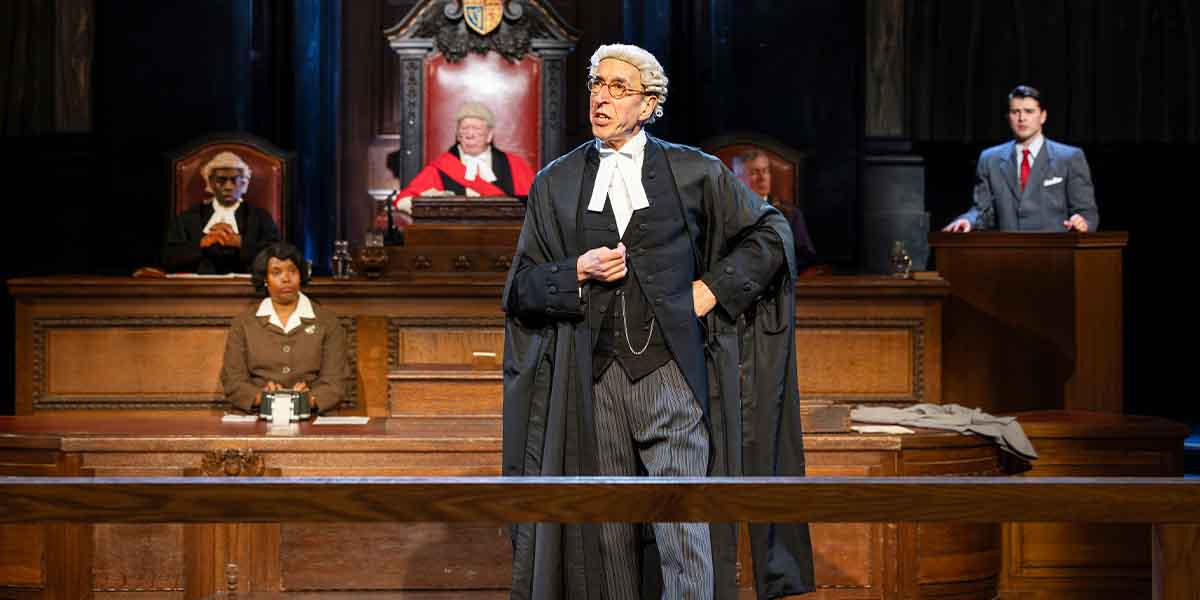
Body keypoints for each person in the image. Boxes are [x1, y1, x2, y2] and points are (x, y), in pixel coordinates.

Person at [501, 43, 814, 600]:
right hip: (593, 387)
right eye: (597, 84)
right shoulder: (558, 181)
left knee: (683, 528)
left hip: (670, 379)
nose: (601, 96)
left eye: (618, 87)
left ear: (648, 105)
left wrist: (712, 290)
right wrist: (574, 269)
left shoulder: (694, 171)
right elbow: (520, 288)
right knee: (608, 538)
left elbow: (772, 235)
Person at [943, 85, 1099, 233]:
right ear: (1008, 117)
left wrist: (1082, 222)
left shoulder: (1069, 157)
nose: (1022, 118)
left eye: (1029, 111)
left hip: (1054, 254)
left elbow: (1087, 213)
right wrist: (968, 220)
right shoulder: (990, 159)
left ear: (1043, 116)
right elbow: (982, 210)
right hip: (1008, 253)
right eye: (1015, 112)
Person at [220, 242, 348, 415]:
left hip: (313, 416)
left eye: (292, 271)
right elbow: (232, 381)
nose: (286, 278)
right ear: (265, 279)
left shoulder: (327, 321)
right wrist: (263, 398)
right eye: (276, 272)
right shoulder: (243, 323)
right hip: (257, 416)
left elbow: (336, 382)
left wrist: (307, 400)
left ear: (301, 275)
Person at [390, 101, 537, 218]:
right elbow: (403, 201)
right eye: (464, 129)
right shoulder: (442, 167)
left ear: (489, 135)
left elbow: (535, 206)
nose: (470, 134)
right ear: (458, 134)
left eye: (477, 129)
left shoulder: (514, 165)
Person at [162, 151, 282, 273]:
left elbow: (278, 257)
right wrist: (202, 244)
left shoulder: (260, 217)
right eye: (221, 180)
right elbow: (168, 259)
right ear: (211, 182)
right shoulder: (188, 218)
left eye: (234, 180)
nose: (228, 187)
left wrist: (241, 242)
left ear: (243, 182)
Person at [731, 149, 818, 271]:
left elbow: (806, 256)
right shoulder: (726, 214)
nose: (762, 178)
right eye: (754, 173)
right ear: (737, 180)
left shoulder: (790, 213)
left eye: (765, 171)